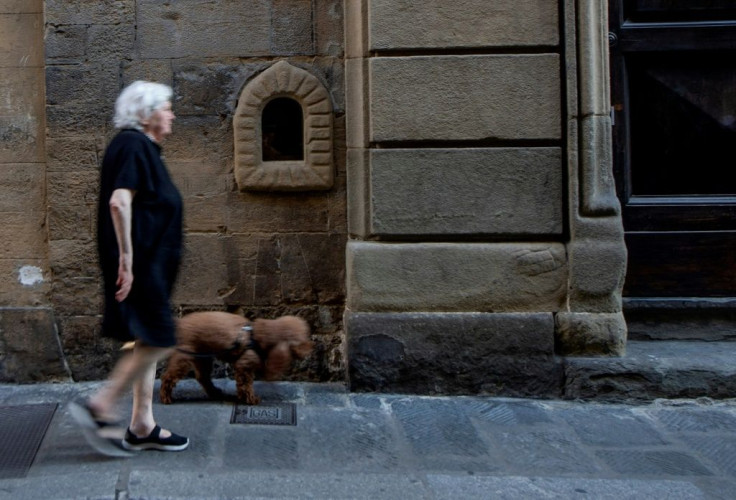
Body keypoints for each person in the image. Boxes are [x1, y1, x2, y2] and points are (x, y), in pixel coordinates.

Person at [69, 80, 189, 456]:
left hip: (148, 264)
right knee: (160, 338)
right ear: (148, 113)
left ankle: (141, 425)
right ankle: (101, 405)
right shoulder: (134, 144)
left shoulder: (142, 148)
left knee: (147, 337)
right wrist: (127, 259)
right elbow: (119, 202)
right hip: (141, 265)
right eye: (166, 108)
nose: (171, 114)